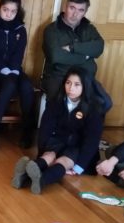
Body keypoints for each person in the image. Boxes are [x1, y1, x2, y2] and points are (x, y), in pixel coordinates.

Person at [11, 66, 104, 194]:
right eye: (68, 83)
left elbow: (92, 141)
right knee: (48, 156)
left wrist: (79, 167)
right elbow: (45, 128)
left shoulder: (94, 109)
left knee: (63, 161)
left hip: (78, 147)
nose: (71, 88)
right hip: (58, 140)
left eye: (77, 85)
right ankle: (26, 175)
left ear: (85, 86)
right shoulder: (56, 102)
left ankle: (37, 180)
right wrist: (43, 151)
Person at [0, 0, 35, 152]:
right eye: (6, 10)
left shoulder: (20, 29)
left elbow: (19, 52)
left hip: (14, 70)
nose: (9, 14)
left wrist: (13, 70)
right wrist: (3, 69)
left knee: (26, 86)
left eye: (13, 11)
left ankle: (28, 131)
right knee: (10, 85)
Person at [41, 0, 104, 100]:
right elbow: (56, 56)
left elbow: (99, 47)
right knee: (60, 106)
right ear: (65, 7)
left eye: (80, 10)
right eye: (72, 8)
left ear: (85, 12)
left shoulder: (89, 29)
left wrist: (73, 48)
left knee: (104, 102)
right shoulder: (52, 30)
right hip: (59, 78)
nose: (75, 14)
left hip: (85, 78)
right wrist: (86, 57)